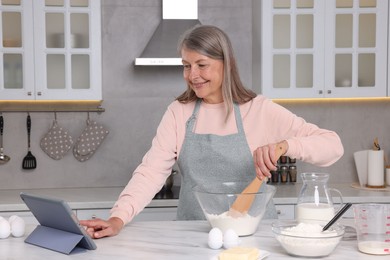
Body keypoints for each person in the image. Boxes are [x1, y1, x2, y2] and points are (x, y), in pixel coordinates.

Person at [80, 25, 344, 239]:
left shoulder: (259, 110)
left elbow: (332, 146)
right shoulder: (179, 112)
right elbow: (151, 172)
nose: (192, 75)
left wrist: (286, 145)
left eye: (201, 64)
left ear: (226, 64)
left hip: (255, 235)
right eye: (186, 65)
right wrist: (118, 218)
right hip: (193, 234)